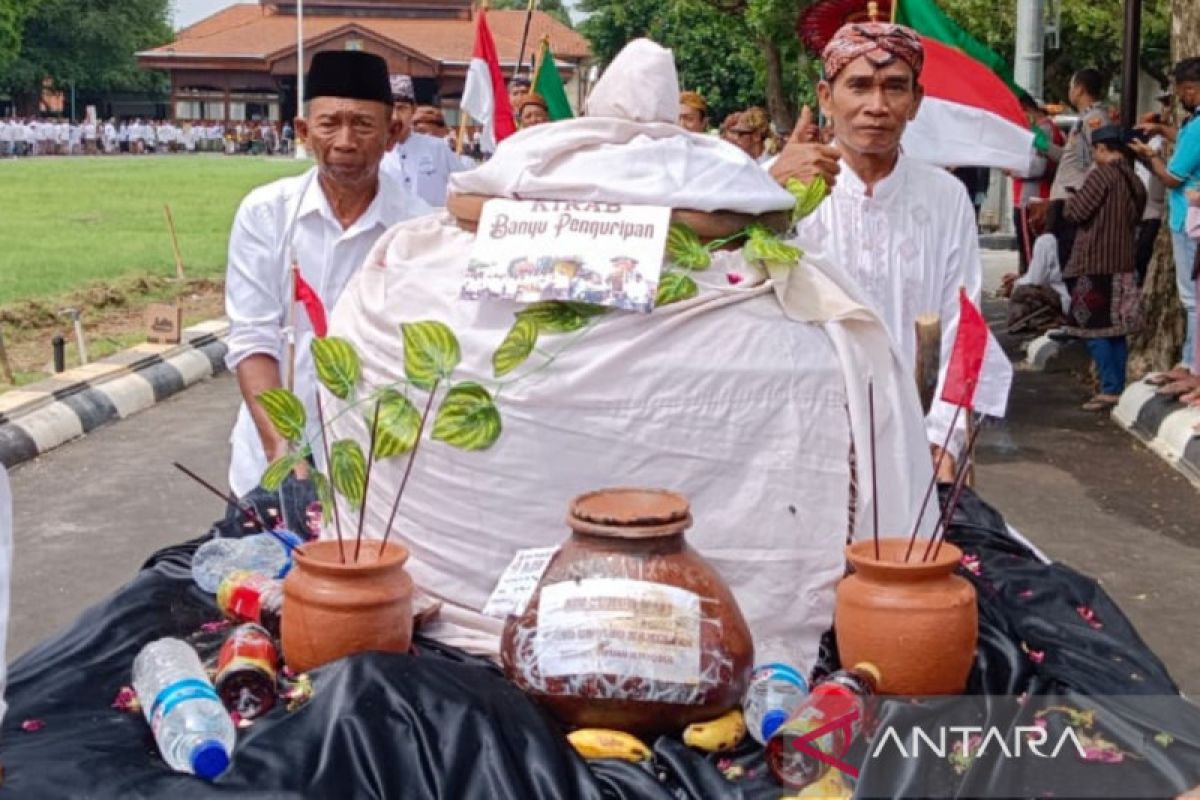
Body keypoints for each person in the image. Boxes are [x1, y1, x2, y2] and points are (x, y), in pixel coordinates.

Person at [769, 21, 982, 476]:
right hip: (798, 436)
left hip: (912, 440)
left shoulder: (945, 197)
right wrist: (766, 196)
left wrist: (944, 437)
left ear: (916, 101)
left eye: (894, 88)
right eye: (860, 86)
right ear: (826, 98)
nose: (877, 107)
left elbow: (965, 323)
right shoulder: (779, 182)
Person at [223, 50, 431, 498]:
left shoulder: (420, 230)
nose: (345, 141)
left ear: (393, 132)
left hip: (380, 473)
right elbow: (253, 339)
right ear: (303, 131)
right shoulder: (265, 214)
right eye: (328, 123)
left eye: (362, 124)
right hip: (274, 463)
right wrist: (283, 450)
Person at [1060, 126, 1146, 410]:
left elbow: (1076, 212)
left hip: (1095, 263)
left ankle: (1109, 389)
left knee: (1093, 330)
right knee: (1116, 331)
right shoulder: (1135, 181)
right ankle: (1117, 385)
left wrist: (1071, 197)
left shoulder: (1101, 177)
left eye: (1095, 150)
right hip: (1123, 263)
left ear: (1102, 149)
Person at [1131, 57, 1200, 391]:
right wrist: (1161, 131)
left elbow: (1173, 178)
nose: (1181, 97)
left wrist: (1151, 156)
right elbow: (1188, 144)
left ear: (1192, 88)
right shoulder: (1195, 123)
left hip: (1189, 220)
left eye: (1184, 91)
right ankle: (1189, 360)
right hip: (1186, 218)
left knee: (1192, 299)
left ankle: (1193, 366)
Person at [379, 74, 466, 207]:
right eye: (390, 109)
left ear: (413, 110)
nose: (395, 116)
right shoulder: (375, 152)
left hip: (433, 225)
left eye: (401, 108)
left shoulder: (437, 148)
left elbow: (463, 187)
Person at [1012, 93, 1064, 272]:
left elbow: (1038, 166)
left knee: (1031, 259)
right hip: (1025, 199)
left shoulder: (1043, 130)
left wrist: (1012, 168)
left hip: (1033, 200)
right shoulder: (1037, 129)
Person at [1004, 199, 1069, 335]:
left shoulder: (1045, 241)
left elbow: (1036, 279)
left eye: (1035, 214)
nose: (1030, 221)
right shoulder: (1070, 237)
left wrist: (1016, 283)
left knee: (1021, 292)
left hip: (1060, 297)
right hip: (1070, 297)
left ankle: (1043, 320)